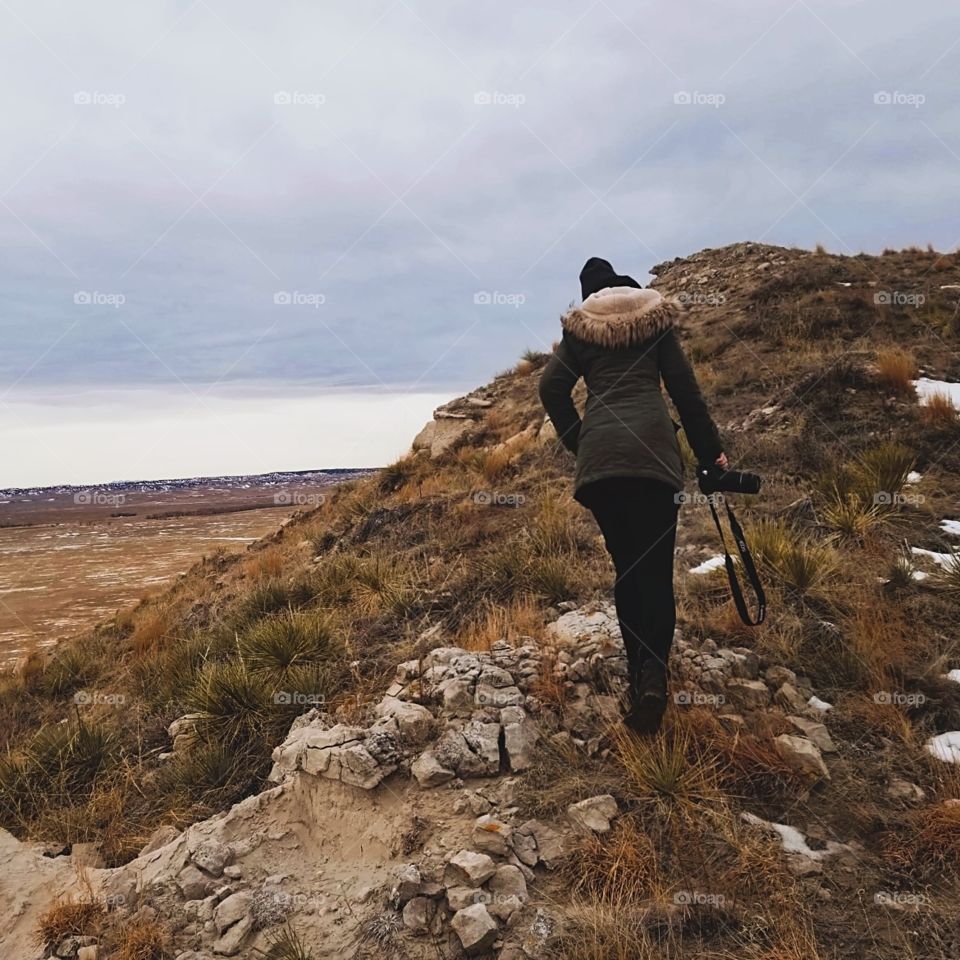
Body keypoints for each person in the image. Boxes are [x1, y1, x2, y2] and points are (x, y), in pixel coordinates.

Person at [538, 257, 728, 735]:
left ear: (587, 295)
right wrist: (710, 454)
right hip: (653, 458)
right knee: (655, 566)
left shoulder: (582, 329)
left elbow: (551, 389)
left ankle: (639, 673)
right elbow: (686, 392)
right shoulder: (655, 319)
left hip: (602, 464)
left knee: (627, 567)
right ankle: (652, 679)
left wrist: (582, 444)